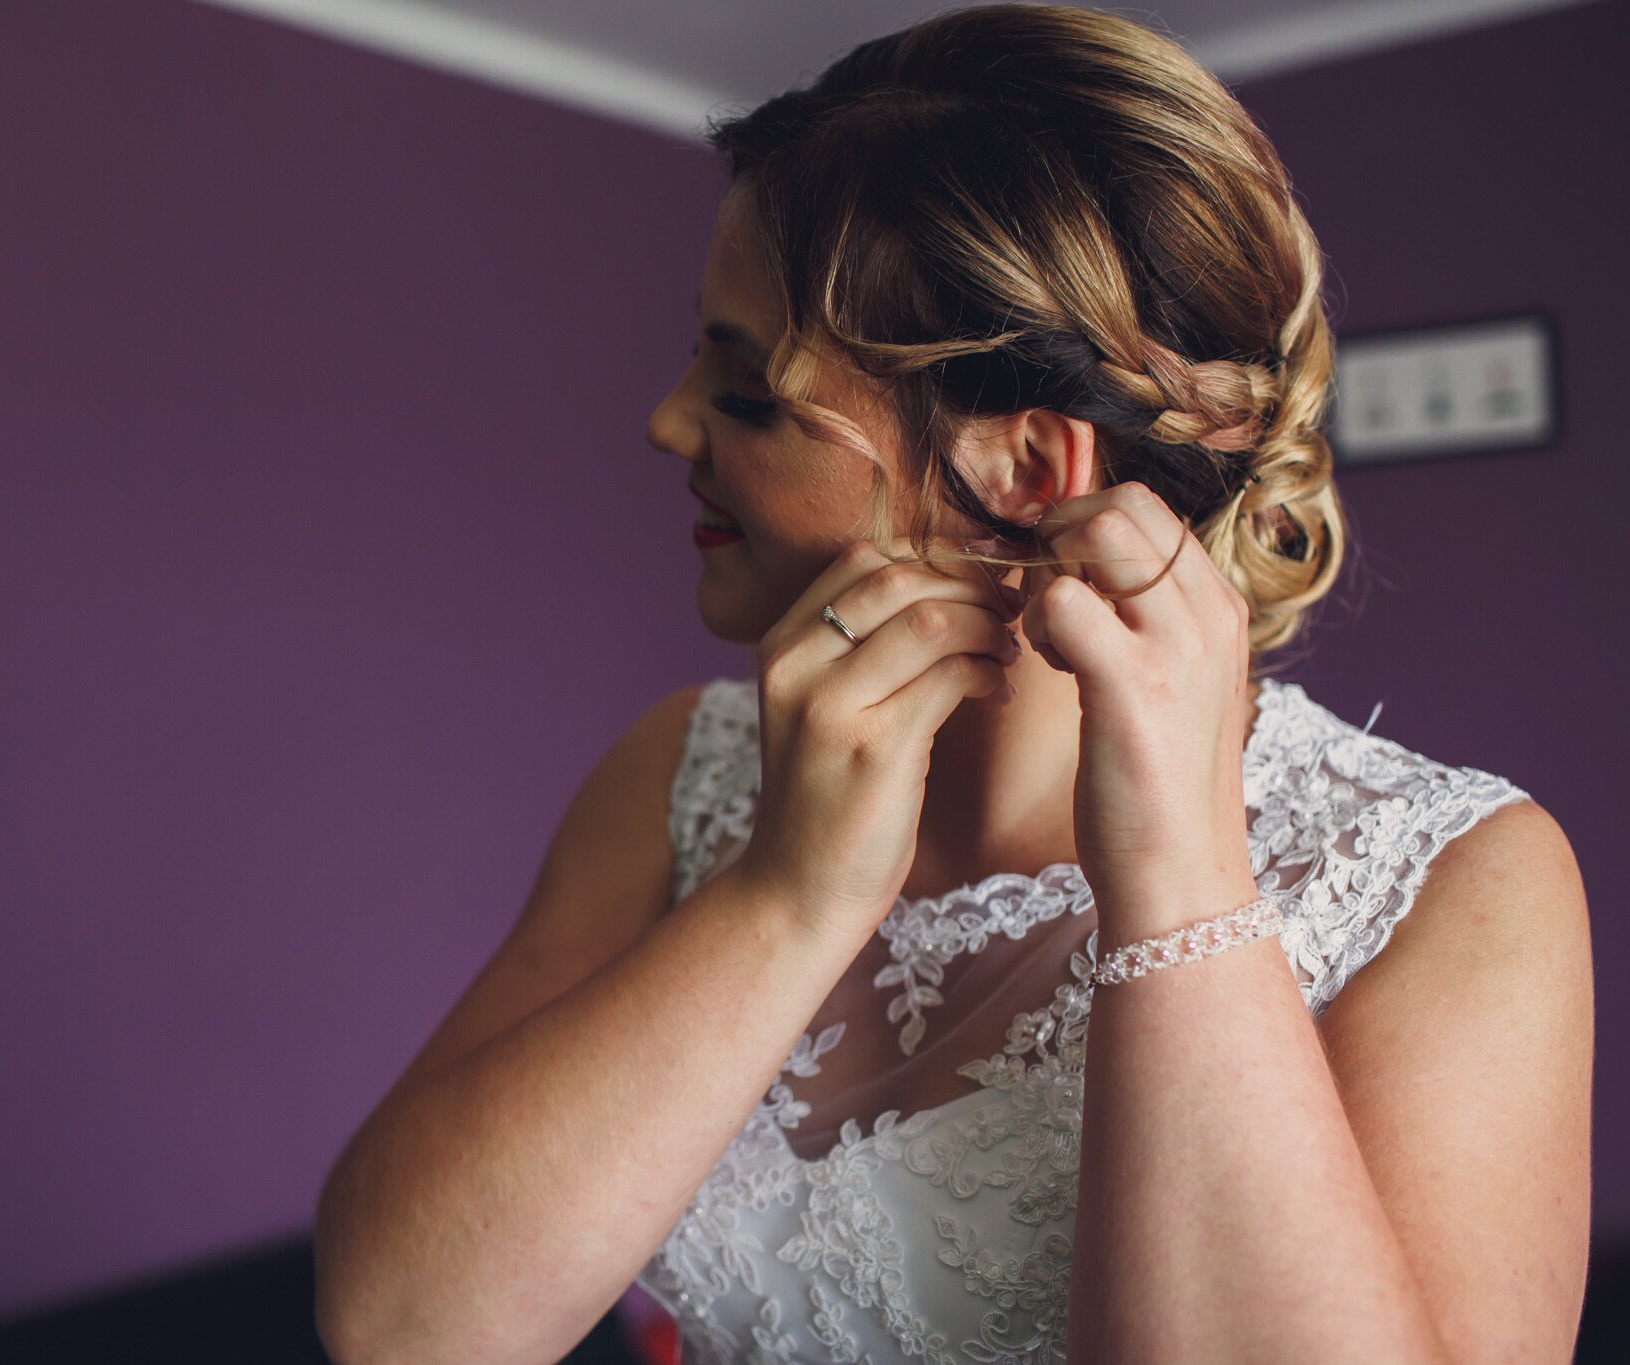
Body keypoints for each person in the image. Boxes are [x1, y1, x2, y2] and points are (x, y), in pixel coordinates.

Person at [312, 7, 1593, 1362]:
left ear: (1023, 470)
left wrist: (1181, 880)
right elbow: (400, 1326)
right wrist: (786, 896)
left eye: (746, 389)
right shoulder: (678, 775)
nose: (667, 420)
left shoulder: (1448, 886)